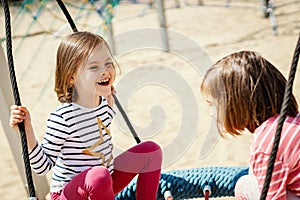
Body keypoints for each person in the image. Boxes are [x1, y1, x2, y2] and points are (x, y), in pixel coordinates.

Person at [10, 31, 162, 200]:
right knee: (99, 175)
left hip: (104, 184)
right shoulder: (63, 117)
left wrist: (108, 94)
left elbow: (104, 115)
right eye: (94, 67)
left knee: (151, 150)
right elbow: (42, 167)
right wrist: (27, 131)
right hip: (69, 194)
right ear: (71, 78)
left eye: (108, 63)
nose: (105, 71)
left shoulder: (103, 104)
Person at [200, 51, 300, 200]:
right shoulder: (294, 121)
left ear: (235, 103)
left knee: (245, 185)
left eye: (213, 105)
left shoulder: (267, 144)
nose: (211, 113)